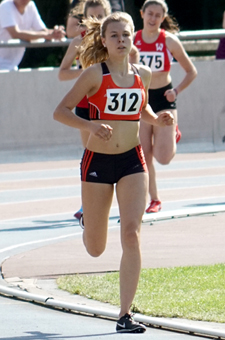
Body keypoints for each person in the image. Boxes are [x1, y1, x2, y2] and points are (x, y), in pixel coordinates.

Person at [54, 12, 174, 332]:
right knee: (96, 248)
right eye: (115, 35)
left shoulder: (143, 74)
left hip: (132, 161)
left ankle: (124, 315)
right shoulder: (94, 74)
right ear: (104, 41)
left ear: (133, 37)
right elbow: (60, 111)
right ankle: (89, 224)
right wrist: (89, 125)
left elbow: (141, 108)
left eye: (126, 35)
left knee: (131, 232)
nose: (121, 40)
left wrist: (156, 119)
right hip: (98, 162)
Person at [59, 0, 139, 220]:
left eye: (100, 15)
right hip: (87, 104)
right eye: (91, 16)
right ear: (84, 18)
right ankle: (89, 204)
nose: (96, 20)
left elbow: (135, 60)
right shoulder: (78, 41)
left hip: (114, 103)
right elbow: (62, 73)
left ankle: (128, 201)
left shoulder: (117, 39)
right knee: (92, 151)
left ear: (108, 14)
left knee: (122, 148)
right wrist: (87, 76)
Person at [134, 0, 197, 213]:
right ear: (142, 14)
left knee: (163, 158)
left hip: (164, 97)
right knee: (143, 153)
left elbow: (191, 71)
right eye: (149, 14)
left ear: (163, 18)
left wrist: (176, 91)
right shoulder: (132, 41)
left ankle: (173, 132)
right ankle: (154, 199)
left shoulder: (169, 41)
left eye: (157, 15)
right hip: (142, 100)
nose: (152, 19)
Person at [0, 0, 65, 71]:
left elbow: (43, 31)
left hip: (12, 66)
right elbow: (15, 33)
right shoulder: (5, 6)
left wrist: (55, 33)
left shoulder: (31, 6)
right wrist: (47, 35)